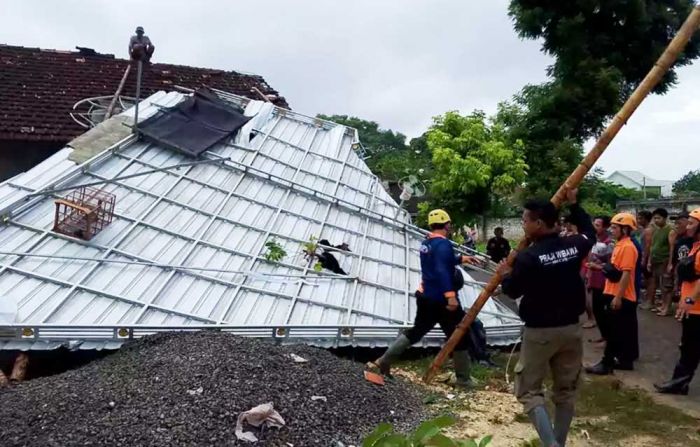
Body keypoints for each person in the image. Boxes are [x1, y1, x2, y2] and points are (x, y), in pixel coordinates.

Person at [497, 189, 594, 447]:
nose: (523, 224)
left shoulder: (528, 257)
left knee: (529, 391)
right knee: (566, 391)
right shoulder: (574, 246)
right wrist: (575, 205)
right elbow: (589, 233)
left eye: (525, 220)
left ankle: (551, 445)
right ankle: (558, 442)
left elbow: (512, 290)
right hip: (572, 330)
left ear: (538, 224)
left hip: (540, 332)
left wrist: (506, 272)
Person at [366, 209, 479, 387]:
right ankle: (464, 379)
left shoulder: (427, 243)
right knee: (459, 334)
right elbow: (442, 269)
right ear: (447, 225)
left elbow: (439, 261)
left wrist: (461, 258)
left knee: (417, 331)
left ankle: (383, 360)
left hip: (425, 296)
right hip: (442, 299)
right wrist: (450, 297)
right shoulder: (443, 245)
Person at [586, 213, 640, 375]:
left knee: (614, 331)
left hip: (621, 295)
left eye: (615, 227)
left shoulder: (628, 247)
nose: (611, 230)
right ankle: (625, 360)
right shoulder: (619, 245)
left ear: (625, 229)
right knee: (622, 330)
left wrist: (618, 297)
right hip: (613, 291)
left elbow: (625, 274)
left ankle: (607, 363)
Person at [654, 208, 700, 395]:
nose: (686, 226)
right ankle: (679, 383)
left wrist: (690, 299)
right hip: (692, 306)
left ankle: (679, 383)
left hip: (696, 307)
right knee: (688, 346)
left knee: (690, 347)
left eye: (691, 223)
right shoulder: (695, 246)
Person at [585, 216, 614, 344]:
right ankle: (605, 335)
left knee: (603, 310)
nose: (594, 227)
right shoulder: (594, 239)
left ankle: (609, 337)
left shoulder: (609, 242)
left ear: (606, 227)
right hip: (594, 278)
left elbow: (611, 264)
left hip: (604, 280)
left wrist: (597, 266)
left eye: (598, 225)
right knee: (597, 309)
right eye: (594, 224)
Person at [643, 208, 674, 314]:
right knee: (658, 285)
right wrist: (649, 261)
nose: (656, 220)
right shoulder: (655, 229)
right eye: (655, 218)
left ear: (665, 218)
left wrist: (670, 263)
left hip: (664, 261)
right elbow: (652, 246)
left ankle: (666, 308)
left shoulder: (670, 230)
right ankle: (663, 305)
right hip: (655, 260)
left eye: (658, 218)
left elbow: (672, 248)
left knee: (666, 285)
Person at [669, 213, 693, 304]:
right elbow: (677, 260)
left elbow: (691, 259)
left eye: (679, 223)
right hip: (682, 279)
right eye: (676, 223)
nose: (676, 226)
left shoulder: (694, 242)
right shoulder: (680, 241)